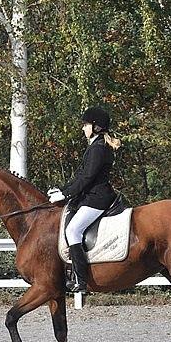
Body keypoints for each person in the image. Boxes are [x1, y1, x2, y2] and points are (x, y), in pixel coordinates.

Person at [48, 106, 121, 292]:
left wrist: (66, 195)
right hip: (89, 197)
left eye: (86, 125)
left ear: (96, 127)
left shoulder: (98, 148)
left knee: (73, 231)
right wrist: (62, 189)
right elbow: (80, 175)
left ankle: (81, 280)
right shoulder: (94, 146)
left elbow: (88, 178)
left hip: (97, 198)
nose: (83, 128)